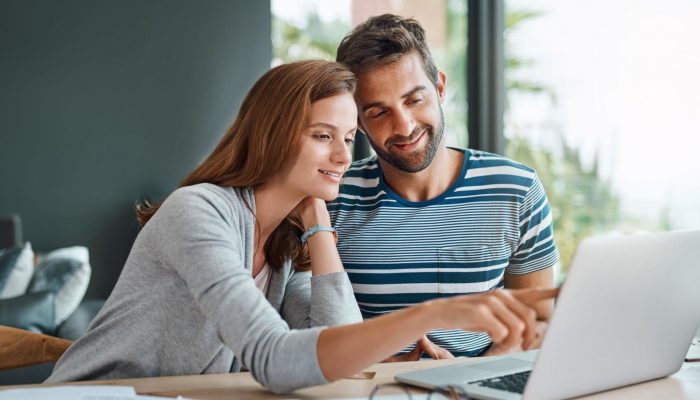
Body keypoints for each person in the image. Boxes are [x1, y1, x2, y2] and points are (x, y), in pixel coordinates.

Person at [47, 60, 557, 393]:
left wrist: (317, 220)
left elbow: (336, 346)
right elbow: (274, 359)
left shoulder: (285, 244)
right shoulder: (198, 211)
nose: (342, 156)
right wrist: (431, 313)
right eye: (322, 136)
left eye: (349, 138)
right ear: (270, 137)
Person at [329, 14, 560, 359]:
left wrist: (467, 376)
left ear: (439, 87)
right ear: (358, 122)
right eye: (378, 112)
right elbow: (311, 330)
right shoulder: (333, 197)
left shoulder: (516, 189)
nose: (404, 126)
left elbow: (540, 321)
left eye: (414, 100)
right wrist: (388, 367)